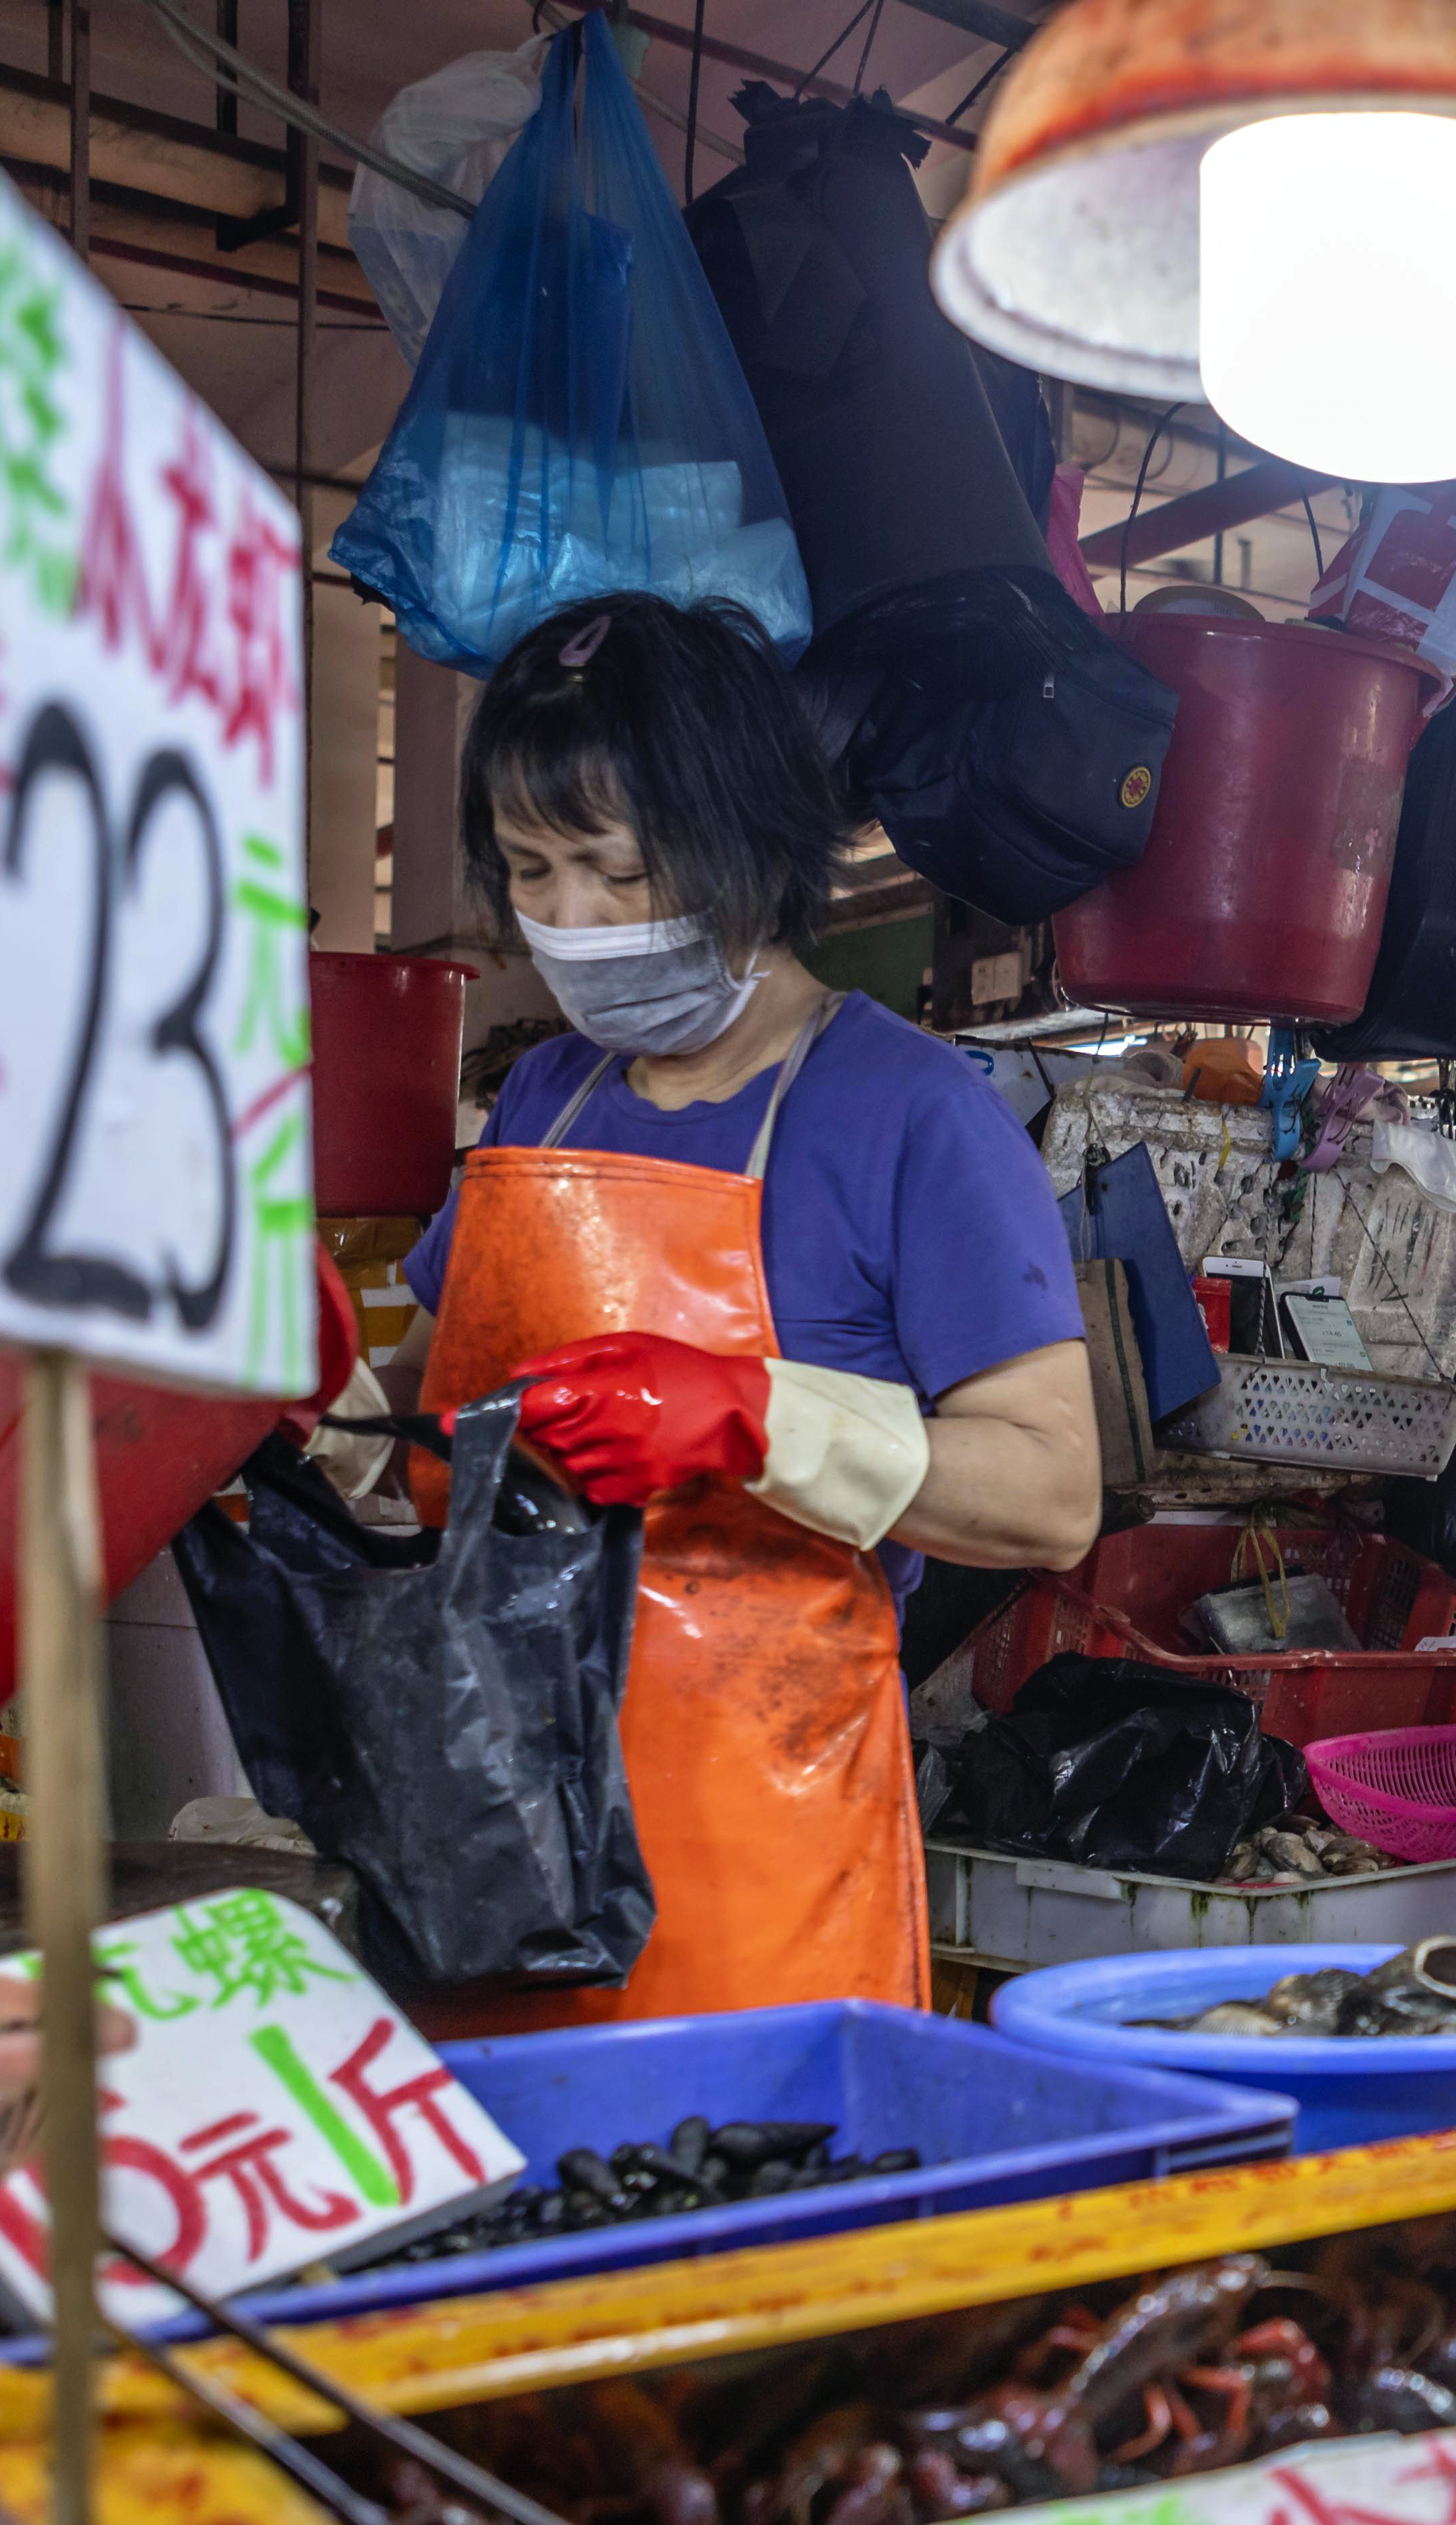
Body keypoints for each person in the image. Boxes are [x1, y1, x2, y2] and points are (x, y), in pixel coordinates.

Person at [384, 595, 1103, 2023]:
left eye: (617, 868)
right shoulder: (547, 1095)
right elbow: (424, 1380)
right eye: (534, 870)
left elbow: (1052, 1489)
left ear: (748, 849)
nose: (570, 921)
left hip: (758, 1834)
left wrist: (747, 1416)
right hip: (497, 1812)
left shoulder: (912, 1114)